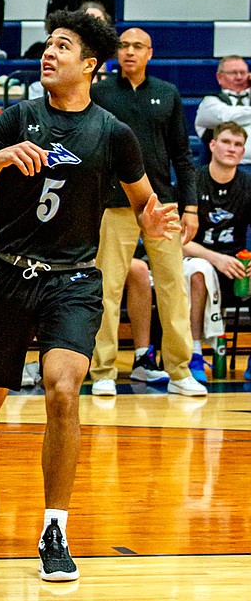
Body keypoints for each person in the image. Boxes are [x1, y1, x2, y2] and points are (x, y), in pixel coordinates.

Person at [0, 10, 178, 581]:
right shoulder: (16, 118)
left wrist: (154, 220)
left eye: (63, 46)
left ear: (90, 65)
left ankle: (54, 526)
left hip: (73, 281)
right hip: (9, 274)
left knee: (64, 389)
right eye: (48, 44)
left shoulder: (113, 133)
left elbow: (143, 202)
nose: (49, 52)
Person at [90, 27, 204, 396]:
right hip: (114, 204)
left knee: (173, 286)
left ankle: (180, 370)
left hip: (162, 204)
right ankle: (103, 371)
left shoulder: (167, 93)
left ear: (150, 53)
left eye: (137, 46)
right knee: (107, 288)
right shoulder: (100, 93)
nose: (129, 52)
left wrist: (190, 207)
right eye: (123, 46)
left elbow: (182, 156)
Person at [182, 122, 251, 384]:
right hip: (194, 259)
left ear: (243, 151)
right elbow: (177, 241)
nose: (231, 149)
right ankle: (194, 354)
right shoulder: (192, 181)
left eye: (238, 144)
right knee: (200, 271)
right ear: (212, 145)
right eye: (226, 142)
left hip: (234, 265)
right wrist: (215, 258)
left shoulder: (247, 184)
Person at [195, 56, 251, 159]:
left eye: (243, 73)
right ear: (219, 77)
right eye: (233, 73)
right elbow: (227, 117)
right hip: (224, 167)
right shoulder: (209, 103)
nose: (239, 77)